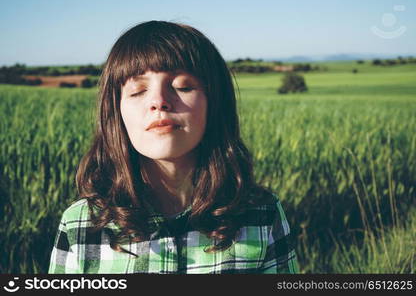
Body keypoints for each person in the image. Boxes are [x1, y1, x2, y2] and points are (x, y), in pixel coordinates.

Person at [48, 20, 299, 274]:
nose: (159, 101)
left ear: (215, 103)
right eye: (138, 91)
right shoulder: (81, 223)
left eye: (182, 86)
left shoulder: (261, 215)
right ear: (117, 112)